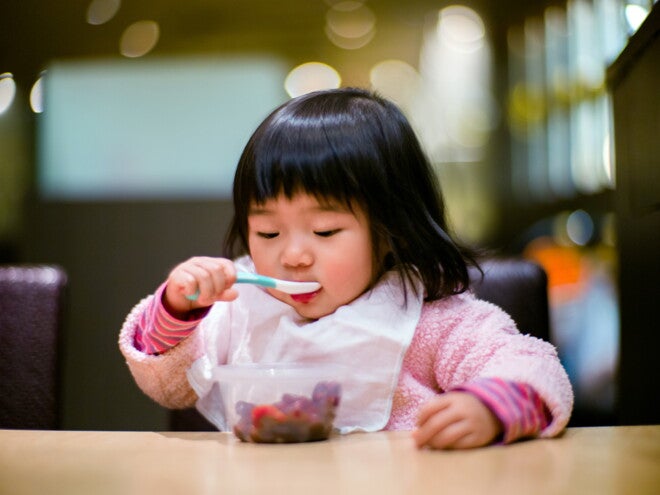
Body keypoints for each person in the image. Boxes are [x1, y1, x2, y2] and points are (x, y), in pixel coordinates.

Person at [119, 87, 573, 449]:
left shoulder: (430, 319)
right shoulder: (241, 307)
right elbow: (169, 388)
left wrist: (491, 408)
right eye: (269, 234)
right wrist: (179, 309)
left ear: (391, 228)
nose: (293, 255)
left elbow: (535, 364)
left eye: (325, 231)